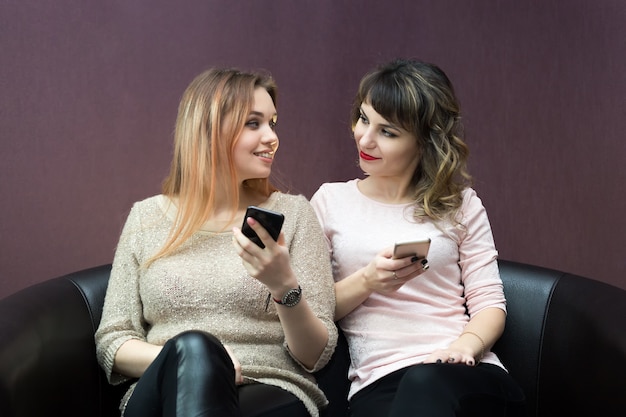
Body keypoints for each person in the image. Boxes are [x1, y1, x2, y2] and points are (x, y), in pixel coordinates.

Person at [95, 68, 338, 417]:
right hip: (164, 394)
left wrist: (283, 285)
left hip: (267, 389)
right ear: (208, 130)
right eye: (254, 123)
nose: (272, 137)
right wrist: (200, 360)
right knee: (194, 349)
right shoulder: (146, 217)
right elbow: (113, 340)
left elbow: (316, 354)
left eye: (273, 122)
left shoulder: (295, 214)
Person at [310, 59, 526, 417]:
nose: (365, 139)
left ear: (424, 140)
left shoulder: (461, 205)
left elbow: (489, 302)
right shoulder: (330, 201)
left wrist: (465, 346)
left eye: (388, 132)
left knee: (425, 383)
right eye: (364, 119)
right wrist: (368, 281)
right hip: (378, 382)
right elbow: (311, 311)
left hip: (464, 374)